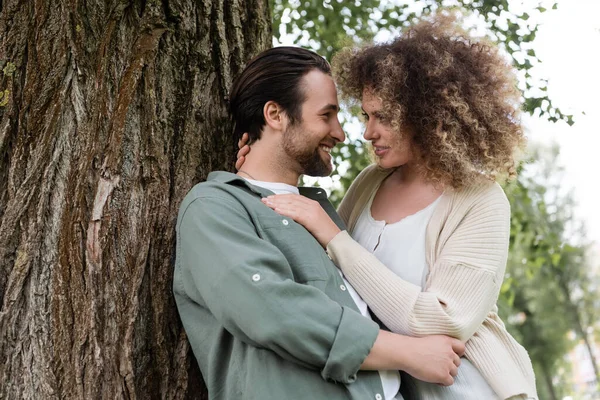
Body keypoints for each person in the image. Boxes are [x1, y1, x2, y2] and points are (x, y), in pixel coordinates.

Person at [241, 17, 538, 400]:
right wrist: (253, 177)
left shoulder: (480, 199)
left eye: (383, 116)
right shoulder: (370, 182)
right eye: (366, 115)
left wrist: (337, 238)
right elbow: (326, 275)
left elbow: (446, 321)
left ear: (428, 114)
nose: (367, 132)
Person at [173, 46, 465, 400]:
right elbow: (274, 312)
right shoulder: (214, 207)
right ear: (275, 115)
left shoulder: (323, 213)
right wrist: (408, 353)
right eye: (327, 115)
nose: (341, 133)